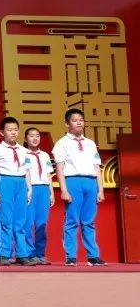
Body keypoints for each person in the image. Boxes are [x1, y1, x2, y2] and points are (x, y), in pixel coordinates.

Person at [53, 109, 105, 266]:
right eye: (75, 120)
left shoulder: (90, 144)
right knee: (72, 220)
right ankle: (70, 256)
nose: (79, 122)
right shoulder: (62, 143)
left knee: (89, 221)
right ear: (67, 124)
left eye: (81, 119)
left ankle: (93, 256)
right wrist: (63, 190)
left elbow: (97, 167)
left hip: (90, 182)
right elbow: (60, 168)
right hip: (73, 182)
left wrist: (100, 189)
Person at [0, 116, 35, 266]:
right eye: (9, 130)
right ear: (2, 132)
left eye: (15, 129)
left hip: (21, 182)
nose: (13, 132)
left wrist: (29, 187)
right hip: (4, 181)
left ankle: (22, 254)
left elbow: (27, 170)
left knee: (20, 221)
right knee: (5, 220)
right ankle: (3, 253)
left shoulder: (24, 151)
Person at [24, 127, 54, 265]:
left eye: (37, 136)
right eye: (31, 136)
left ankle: (40, 253)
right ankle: (29, 253)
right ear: (25, 139)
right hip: (30, 189)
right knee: (28, 223)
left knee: (42, 223)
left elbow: (48, 175)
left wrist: (51, 193)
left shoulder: (45, 155)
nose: (35, 138)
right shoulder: (23, 154)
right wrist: (28, 189)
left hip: (43, 189)